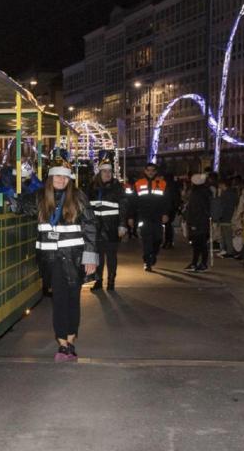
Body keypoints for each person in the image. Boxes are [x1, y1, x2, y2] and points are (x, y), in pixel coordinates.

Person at [21, 158, 98, 362]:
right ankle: (62, 343)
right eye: (57, 175)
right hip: (51, 260)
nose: (61, 180)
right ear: (50, 177)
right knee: (59, 301)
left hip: (74, 258)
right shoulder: (39, 198)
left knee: (73, 300)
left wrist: (90, 256)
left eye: (65, 176)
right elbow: (18, 204)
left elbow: (90, 226)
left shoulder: (78, 197)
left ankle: (70, 341)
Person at [85, 155, 127, 290]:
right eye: (105, 171)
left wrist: (122, 224)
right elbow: (86, 207)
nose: (107, 174)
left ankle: (111, 281)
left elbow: (124, 206)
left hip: (112, 227)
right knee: (98, 256)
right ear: (99, 172)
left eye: (109, 171)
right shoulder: (91, 187)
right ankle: (98, 280)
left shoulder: (117, 187)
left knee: (111, 256)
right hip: (96, 228)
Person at [128, 162, 171, 272]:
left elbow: (167, 200)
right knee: (146, 240)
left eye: (153, 170)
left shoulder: (162, 183)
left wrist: (165, 213)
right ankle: (147, 261)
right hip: (144, 216)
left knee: (158, 239)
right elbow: (133, 202)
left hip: (157, 216)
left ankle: (153, 255)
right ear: (145, 171)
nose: (150, 172)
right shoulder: (138, 183)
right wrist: (131, 217)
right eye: (148, 170)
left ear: (156, 172)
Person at [184, 173, 212, 272]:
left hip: (197, 222)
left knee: (198, 244)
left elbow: (194, 209)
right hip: (203, 221)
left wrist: (192, 223)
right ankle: (197, 263)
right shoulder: (206, 192)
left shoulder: (196, 194)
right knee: (200, 244)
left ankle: (200, 263)